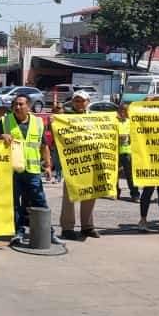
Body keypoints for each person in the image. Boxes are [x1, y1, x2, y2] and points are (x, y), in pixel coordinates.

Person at [0, 94, 60, 244]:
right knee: (15, 204)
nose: (17, 107)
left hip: (32, 171)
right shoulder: (5, 121)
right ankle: (18, 233)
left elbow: (44, 145)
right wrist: (1, 137)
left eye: (21, 104)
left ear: (29, 107)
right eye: (15, 105)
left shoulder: (38, 123)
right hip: (12, 171)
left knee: (40, 201)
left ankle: (48, 233)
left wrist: (48, 166)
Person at [59, 91, 101, 240]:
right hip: (72, 162)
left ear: (88, 102)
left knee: (90, 194)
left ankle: (87, 226)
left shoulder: (95, 118)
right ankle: (67, 228)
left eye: (82, 100)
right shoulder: (65, 117)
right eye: (76, 100)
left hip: (90, 161)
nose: (79, 103)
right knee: (70, 196)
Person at [117, 103, 139, 202]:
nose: (123, 112)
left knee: (130, 175)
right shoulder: (114, 121)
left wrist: (129, 137)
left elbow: (136, 134)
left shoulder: (130, 122)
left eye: (125, 111)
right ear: (118, 111)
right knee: (115, 174)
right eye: (121, 110)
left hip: (127, 152)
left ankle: (135, 194)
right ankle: (116, 192)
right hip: (115, 151)